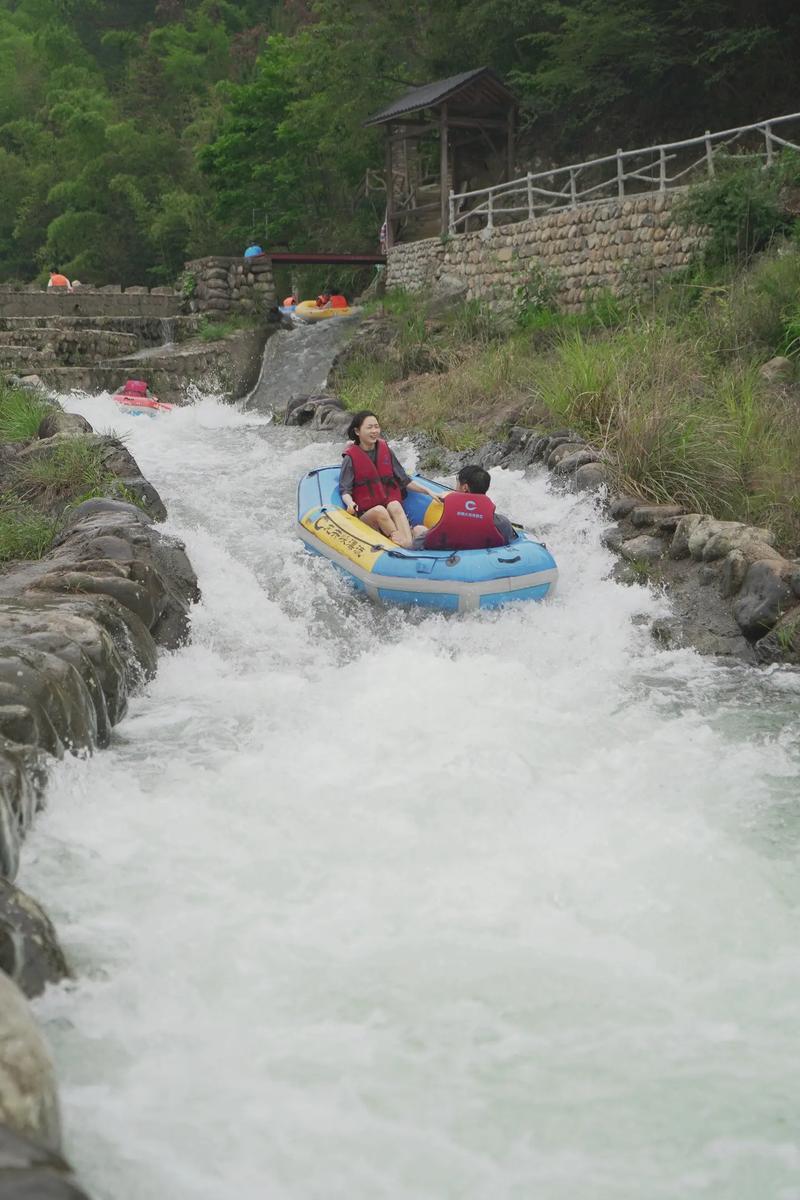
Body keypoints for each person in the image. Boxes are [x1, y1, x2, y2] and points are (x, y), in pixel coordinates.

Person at [339, 411, 441, 549]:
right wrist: (350, 503)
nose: (374, 431)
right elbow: (345, 490)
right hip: (368, 516)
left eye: (376, 427)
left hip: (389, 512)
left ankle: (407, 544)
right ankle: (405, 545)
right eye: (369, 427)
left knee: (394, 504)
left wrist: (428, 491)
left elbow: (404, 480)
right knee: (380, 510)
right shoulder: (350, 458)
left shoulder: (385, 450)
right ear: (357, 431)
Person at [412, 464, 515, 550]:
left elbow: (418, 544)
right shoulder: (502, 523)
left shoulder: (448, 519)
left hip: (446, 559)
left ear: (465, 487)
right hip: (485, 558)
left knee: (418, 530)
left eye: (457, 484)